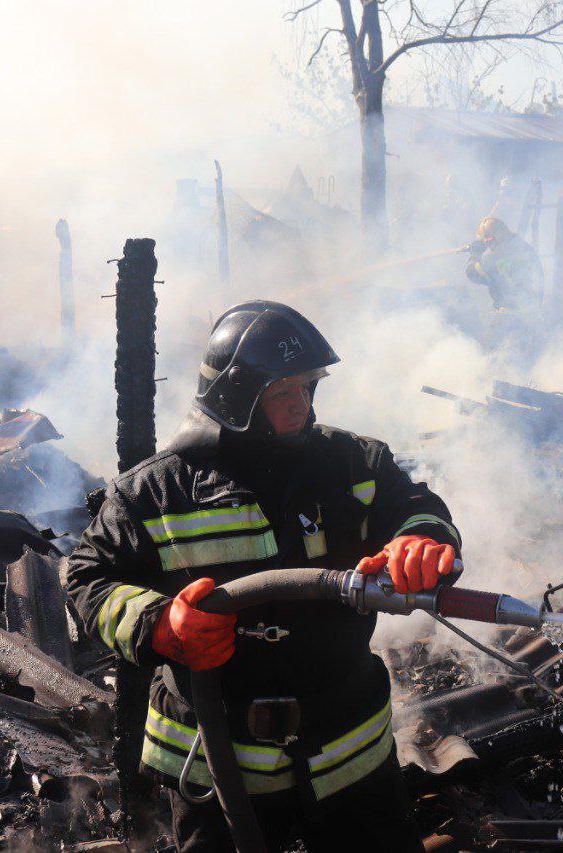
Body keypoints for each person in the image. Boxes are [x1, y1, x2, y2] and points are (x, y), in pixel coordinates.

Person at [66, 301, 462, 852]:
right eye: (282, 392)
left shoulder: (355, 464)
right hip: (215, 768)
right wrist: (157, 624)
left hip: (349, 756)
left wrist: (422, 540)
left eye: (308, 386)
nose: (302, 404)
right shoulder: (154, 493)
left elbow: (418, 508)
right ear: (236, 399)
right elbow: (88, 578)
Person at [464, 215, 544, 315]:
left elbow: (472, 273)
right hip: (534, 310)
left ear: (490, 240)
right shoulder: (526, 249)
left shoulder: (494, 258)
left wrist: (475, 254)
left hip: (510, 314)